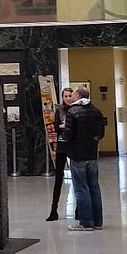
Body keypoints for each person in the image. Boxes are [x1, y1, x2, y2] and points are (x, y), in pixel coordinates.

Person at [64, 86, 105, 231]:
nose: (72, 96)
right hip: (92, 154)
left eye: (73, 93)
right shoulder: (96, 111)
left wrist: (65, 139)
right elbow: (101, 133)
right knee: (94, 186)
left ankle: (86, 222)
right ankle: (97, 221)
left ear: (78, 95)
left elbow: (68, 134)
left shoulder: (73, 111)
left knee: (81, 188)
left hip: (77, 154)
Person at [46, 85, 76, 221]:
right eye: (66, 96)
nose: (68, 98)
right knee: (58, 178)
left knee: (77, 178)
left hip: (73, 146)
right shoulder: (59, 111)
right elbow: (56, 127)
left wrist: (65, 127)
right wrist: (63, 127)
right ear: (62, 97)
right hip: (62, 146)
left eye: (70, 96)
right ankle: (54, 210)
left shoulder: (76, 110)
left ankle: (79, 209)